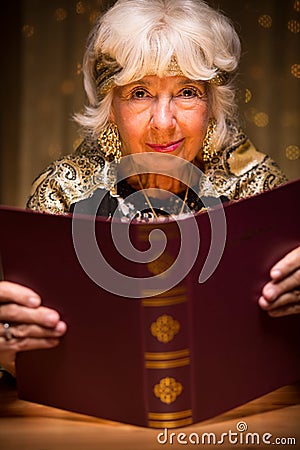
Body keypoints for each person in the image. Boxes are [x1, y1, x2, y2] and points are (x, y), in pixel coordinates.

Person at [0, 0, 299, 377]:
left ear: (212, 106)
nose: (163, 122)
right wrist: (12, 353)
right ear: (111, 108)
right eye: (140, 93)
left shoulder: (257, 187)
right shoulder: (62, 193)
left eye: (187, 92)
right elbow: (30, 357)